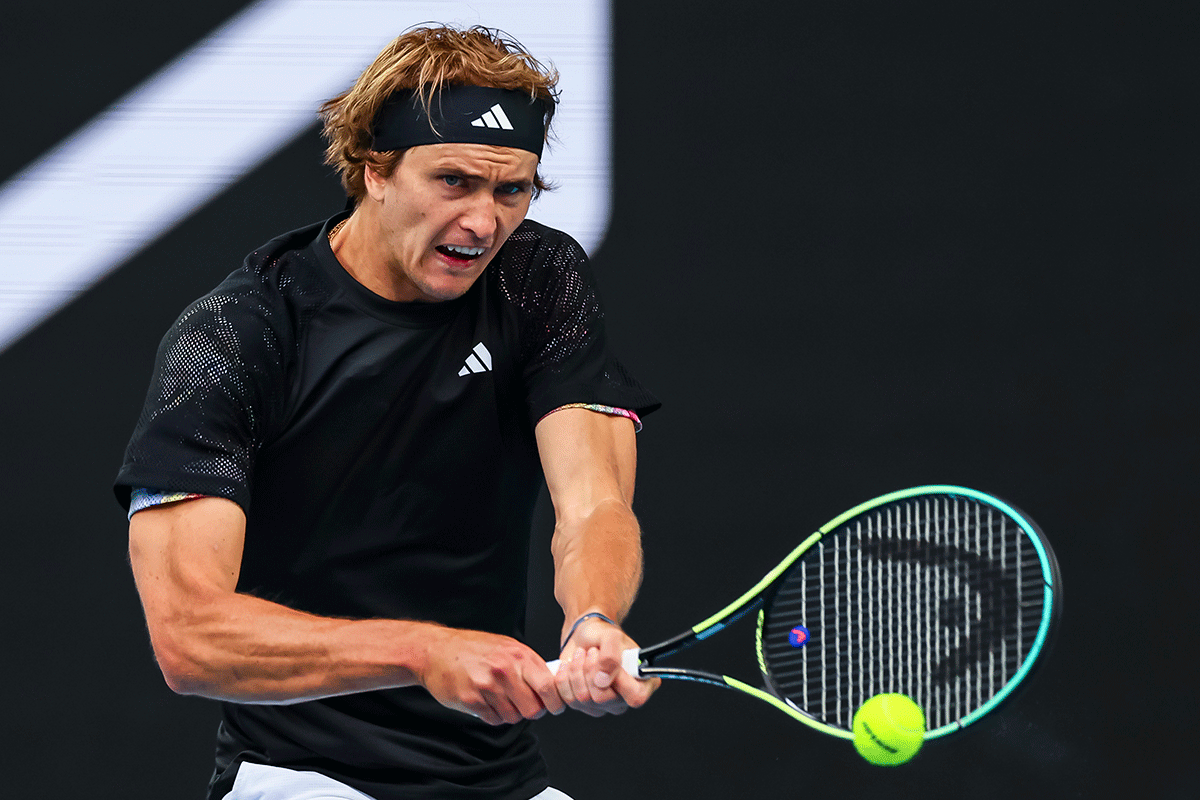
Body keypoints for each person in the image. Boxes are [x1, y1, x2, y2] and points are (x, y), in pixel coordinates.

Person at [114, 25, 659, 800]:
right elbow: (189, 636)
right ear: (374, 169)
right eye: (454, 182)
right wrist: (421, 652)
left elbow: (596, 503)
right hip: (301, 778)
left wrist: (591, 621)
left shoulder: (540, 281)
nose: (483, 222)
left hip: (497, 777)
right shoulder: (239, 334)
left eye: (512, 190)